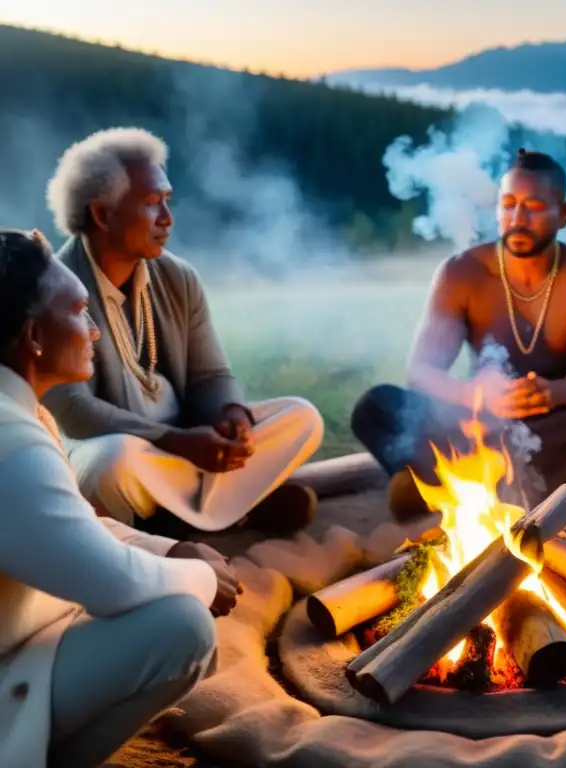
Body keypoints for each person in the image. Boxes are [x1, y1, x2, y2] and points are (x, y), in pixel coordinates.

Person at [0, 229, 243, 768]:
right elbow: (117, 586)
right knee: (182, 626)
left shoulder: (19, 414)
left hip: (19, 644)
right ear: (33, 335)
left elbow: (72, 524)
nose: (94, 331)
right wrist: (203, 577)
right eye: (82, 310)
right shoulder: (13, 444)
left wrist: (172, 551)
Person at [40, 127, 324, 536]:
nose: (168, 219)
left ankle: (184, 516)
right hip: (127, 449)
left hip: (187, 442)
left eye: (168, 201)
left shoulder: (179, 277)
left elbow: (210, 376)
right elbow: (76, 414)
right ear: (102, 214)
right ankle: (229, 509)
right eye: (153, 204)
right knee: (112, 463)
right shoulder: (57, 288)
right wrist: (176, 441)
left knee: (301, 417)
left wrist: (231, 416)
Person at [351, 149, 566, 521]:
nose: (517, 218)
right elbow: (421, 371)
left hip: (555, 425)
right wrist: (474, 395)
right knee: (376, 407)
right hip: (476, 424)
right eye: (508, 205)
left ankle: (445, 488)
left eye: (533, 206)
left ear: (564, 214)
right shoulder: (461, 273)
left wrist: (565, 390)